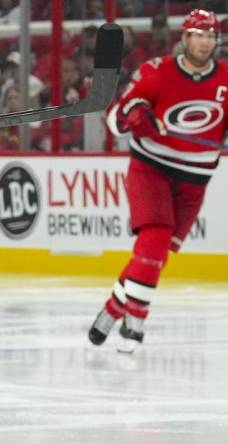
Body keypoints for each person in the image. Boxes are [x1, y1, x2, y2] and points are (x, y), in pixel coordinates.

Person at [89, 10, 228, 353]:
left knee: (157, 254)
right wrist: (133, 115)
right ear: (185, 38)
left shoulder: (227, 77)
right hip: (151, 167)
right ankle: (134, 321)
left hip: (197, 177)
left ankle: (112, 308)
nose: (205, 41)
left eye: (211, 35)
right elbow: (114, 116)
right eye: (199, 34)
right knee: (156, 235)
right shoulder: (155, 71)